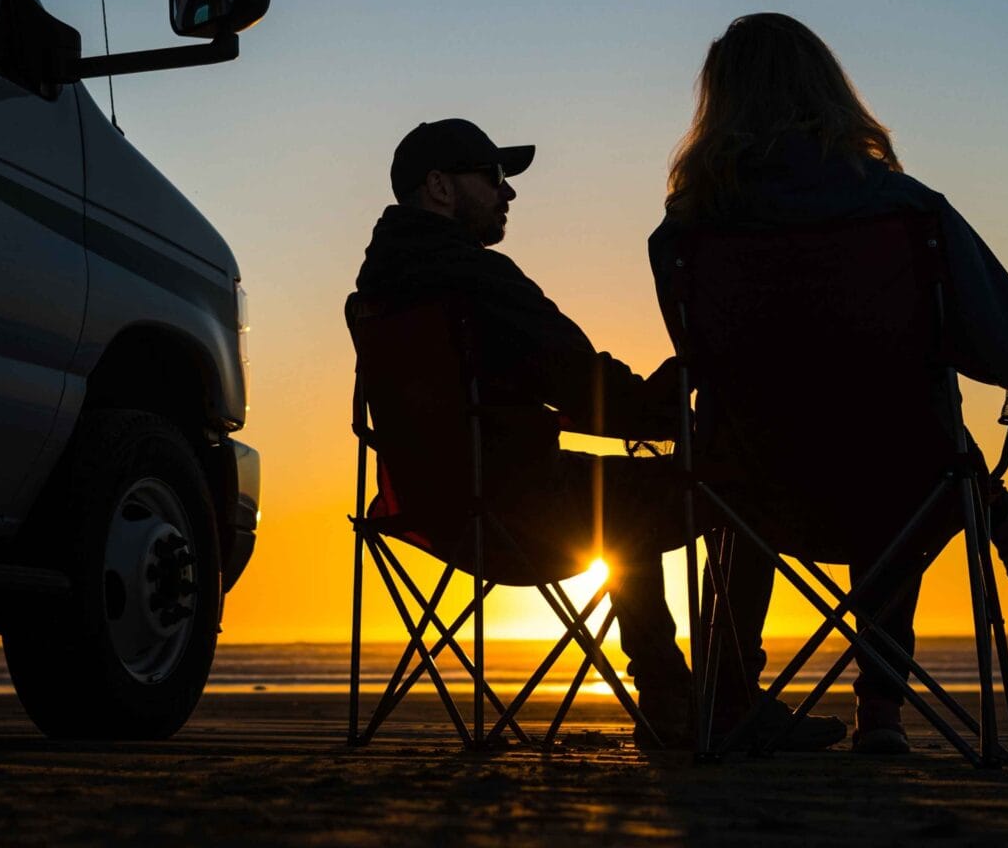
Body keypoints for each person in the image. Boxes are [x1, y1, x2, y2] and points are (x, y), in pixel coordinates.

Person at [646, 13, 1008, 755]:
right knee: (901, 451)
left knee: (766, 454)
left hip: (749, 490)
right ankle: (882, 718)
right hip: (900, 484)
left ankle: (729, 705)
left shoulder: (684, 236)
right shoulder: (907, 213)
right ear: (830, 92)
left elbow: (709, 363)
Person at [355, 118, 845, 750]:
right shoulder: (478, 279)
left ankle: (670, 697)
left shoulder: (379, 292)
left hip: (430, 510)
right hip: (522, 512)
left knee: (623, 497)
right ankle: (724, 702)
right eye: (494, 177)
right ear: (441, 188)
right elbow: (586, 385)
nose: (508, 194)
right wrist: (682, 395)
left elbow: (540, 400)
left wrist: (639, 413)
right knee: (734, 490)